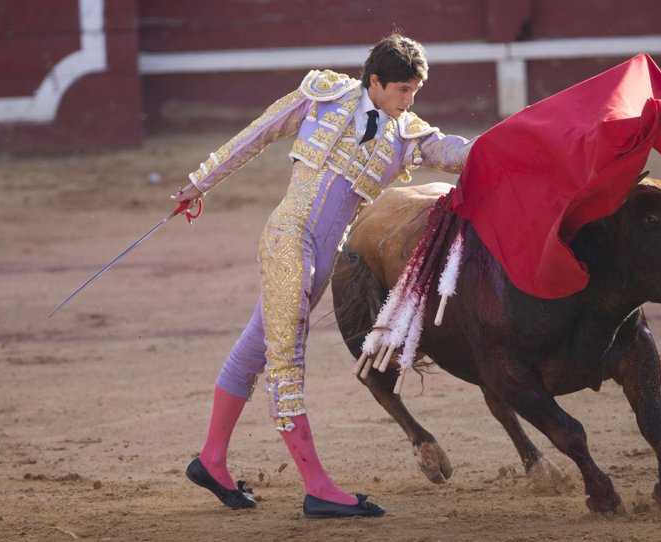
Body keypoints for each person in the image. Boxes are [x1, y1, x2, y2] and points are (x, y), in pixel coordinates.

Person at [171, 33, 475, 519]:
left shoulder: (406, 133)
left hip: (322, 260)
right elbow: (260, 133)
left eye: (415, 91)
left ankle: (211, 461)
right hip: (288, 240)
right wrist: (198, 183)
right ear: (374, 81)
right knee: (286, 360)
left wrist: (510, 143)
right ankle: (317, 488)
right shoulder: (324, 94)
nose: (409, 101)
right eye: (402, 90)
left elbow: (456, 152)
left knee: (254, 348)